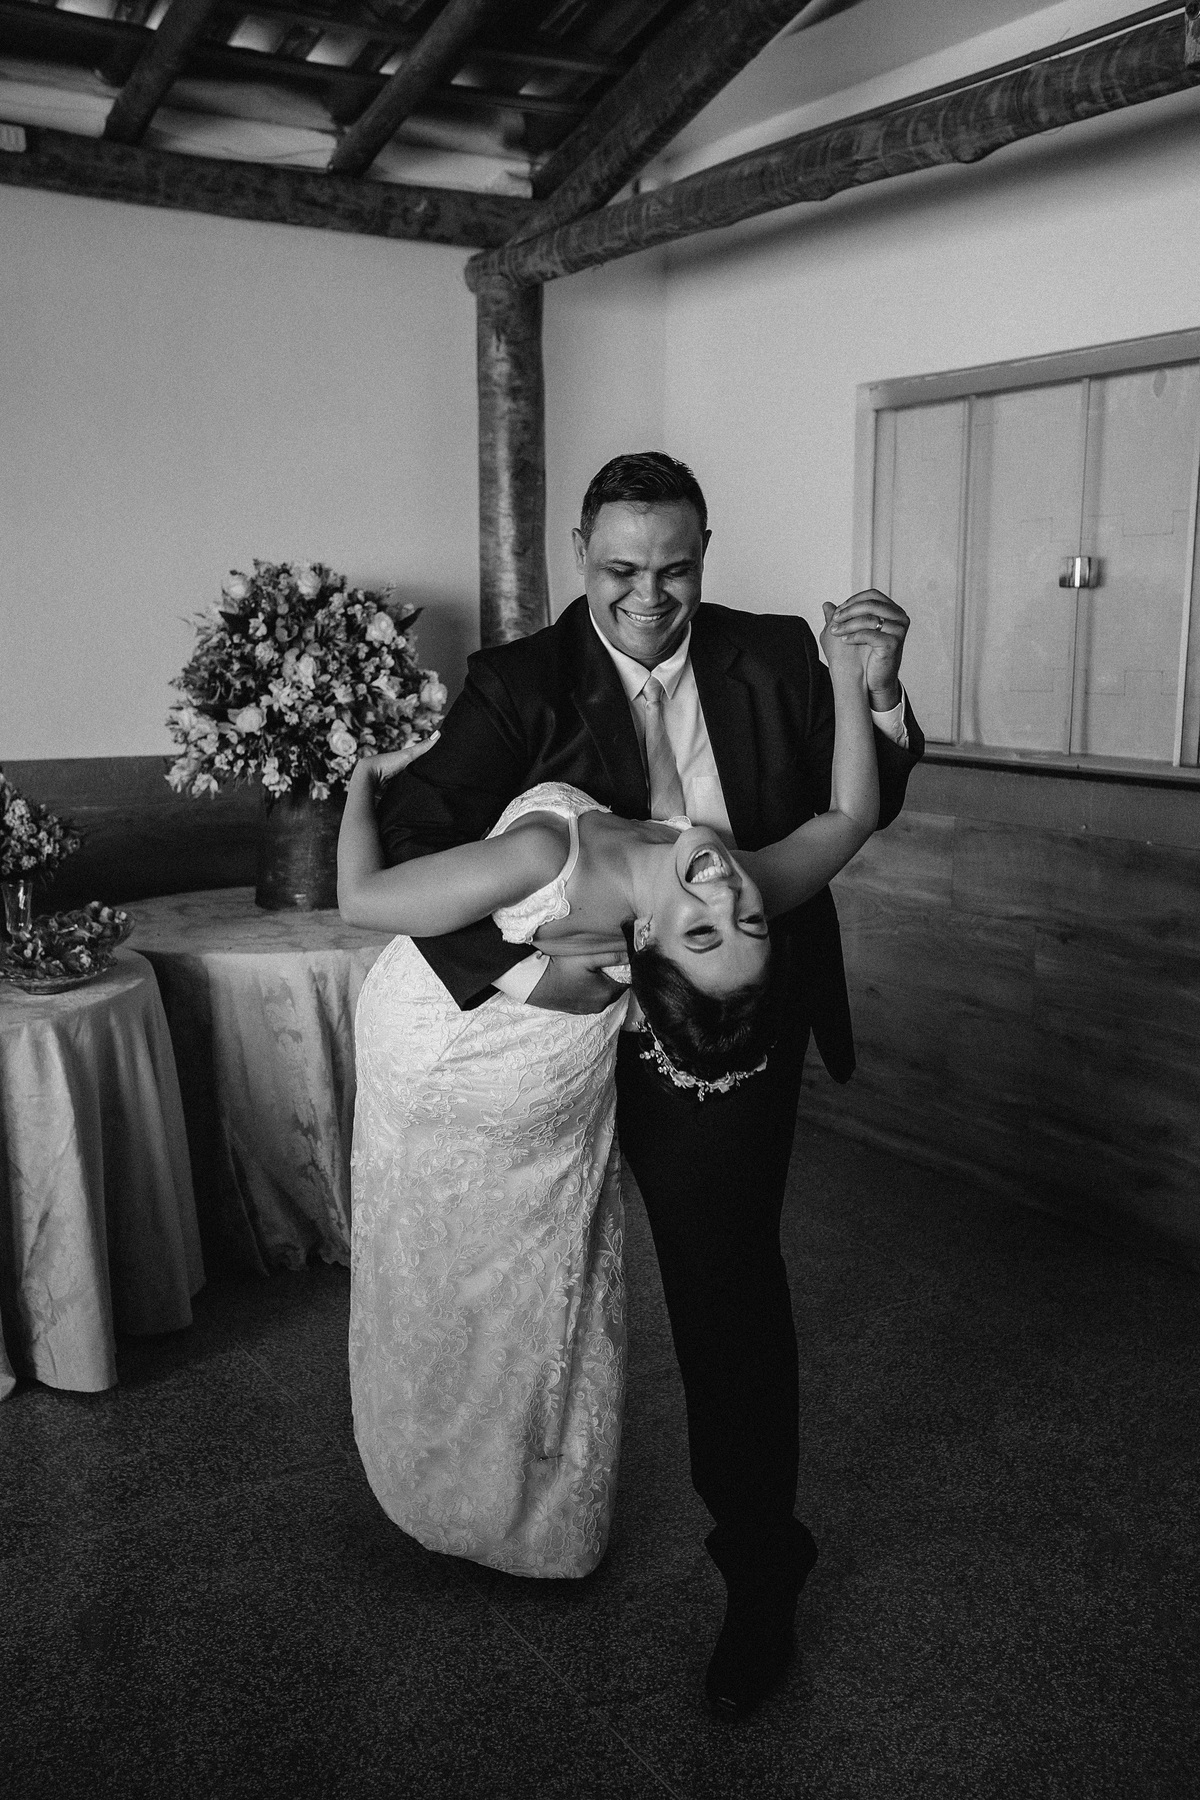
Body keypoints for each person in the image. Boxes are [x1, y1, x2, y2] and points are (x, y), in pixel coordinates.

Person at [369, 452, 923, 1716]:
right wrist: (532, 979)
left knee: (726, 1284)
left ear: (705, 552)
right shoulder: (517, 681)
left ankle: (763, 1566)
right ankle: (506, 1504)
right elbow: (412, 846)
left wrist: (880, 696)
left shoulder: (774, 653)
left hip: (722, 1028)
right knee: (511, 1276)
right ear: (579, 552)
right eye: (620, 569)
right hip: (552, 1029)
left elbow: (855, 804)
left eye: (674, 569)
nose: (648, 597)